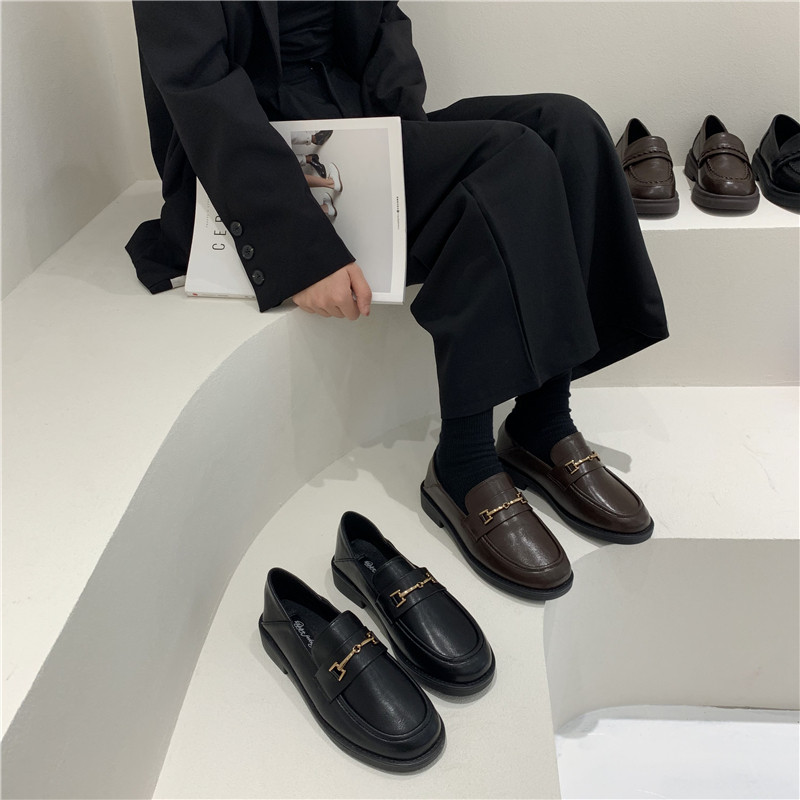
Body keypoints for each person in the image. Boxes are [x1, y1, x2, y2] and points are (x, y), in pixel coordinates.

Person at [127, 1, 668, 600]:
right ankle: (463, 464)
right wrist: (299, 249)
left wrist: (404, 141)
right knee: (508, 160)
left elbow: (383, 21)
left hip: (355, 129)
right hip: (261, 156)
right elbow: (197, 88)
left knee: (570, 128)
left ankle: (542, 421)